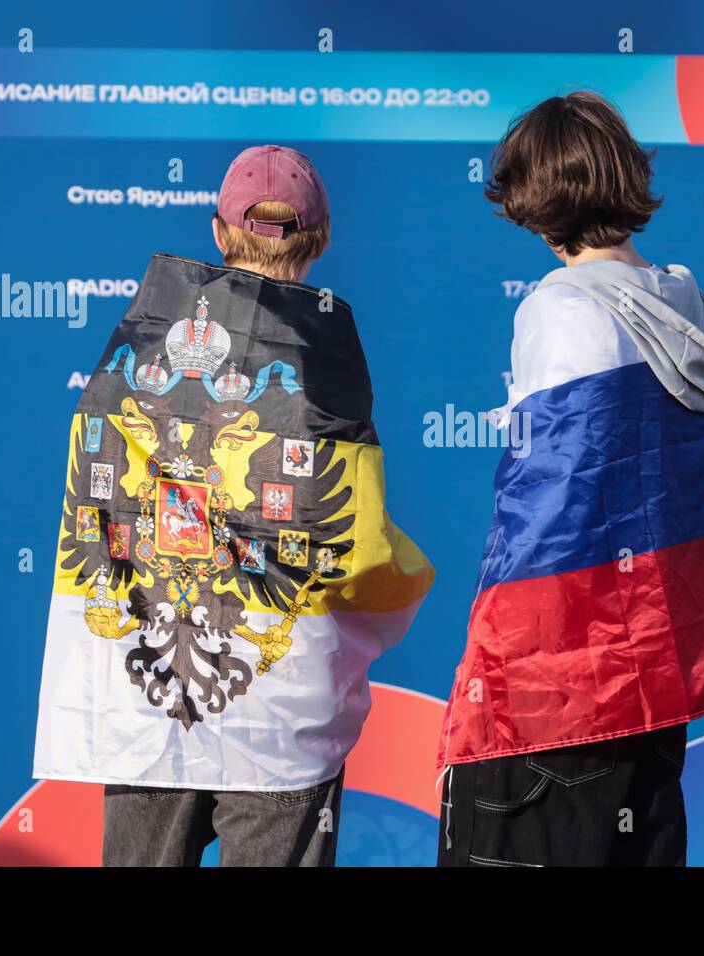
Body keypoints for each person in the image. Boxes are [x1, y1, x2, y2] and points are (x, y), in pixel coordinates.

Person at [436, 93, 704, 867]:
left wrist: (486, 682)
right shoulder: (689, 306)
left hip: (562, 689)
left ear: (538, 201)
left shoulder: (563, 308)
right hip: (655, 684)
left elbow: (550, 519)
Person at [34, 146, 434, 867]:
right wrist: (405, 591)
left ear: (217, 235)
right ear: (321, 240)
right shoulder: (325, 374)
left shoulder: (121, 370)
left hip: (143, 684)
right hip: (277, 700)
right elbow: (362, 552)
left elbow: (89, 520)